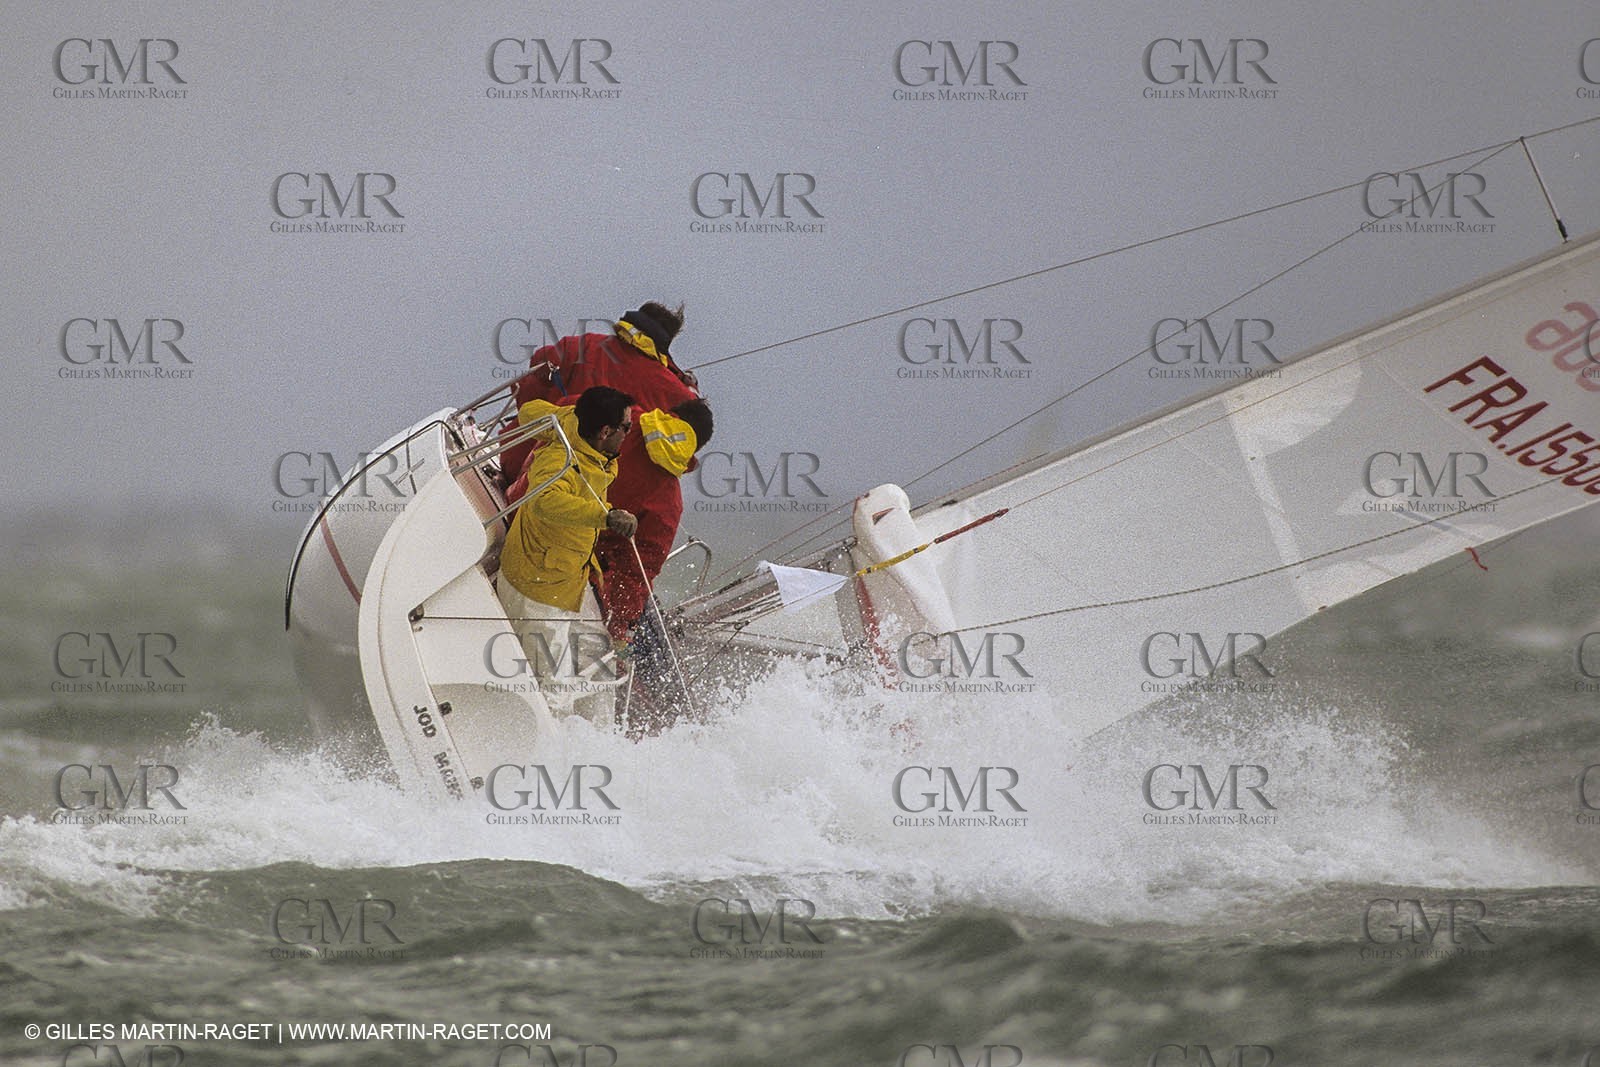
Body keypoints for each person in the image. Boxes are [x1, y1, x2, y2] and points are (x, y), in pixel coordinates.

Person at [495, 386, 637, 727]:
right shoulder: (560, 459)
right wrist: (605, 517)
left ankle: (601, 743)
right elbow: (544, 501)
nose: (629, 434)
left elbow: (529, 409)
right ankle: (554, 759)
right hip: (538, 587)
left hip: (572, 582)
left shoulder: (570, 423)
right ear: (606, 432)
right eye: (626, 428)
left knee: (599, 664)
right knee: (555, 684)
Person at [500, 302, 700, 486]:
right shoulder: (674, 391)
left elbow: (536, 370)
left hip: (521, 464)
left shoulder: (585, 345)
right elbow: (688, 444)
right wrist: (690, 388)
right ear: (666, 342)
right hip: (593, 491)